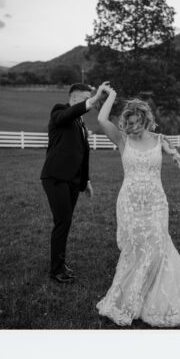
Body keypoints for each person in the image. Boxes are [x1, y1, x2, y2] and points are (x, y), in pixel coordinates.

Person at [95, 91, 180, 326]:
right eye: (128, 123)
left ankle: (152, 299)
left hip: (155, 204)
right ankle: (131, 298)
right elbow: (102, 120)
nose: (132, 127)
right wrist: (111, 95)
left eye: (136, 122)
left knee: (156, 248)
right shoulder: (123, 140)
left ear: (145, 120)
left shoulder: (160, 140)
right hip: (130, 204)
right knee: (135, 251)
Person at [40, 80, 109, 285]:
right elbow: (69, 114)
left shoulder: (80, 124)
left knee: (66, 221)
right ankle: (56, 270)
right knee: (62, 222)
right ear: (74, 98)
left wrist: (85, 180)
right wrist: (94, 99)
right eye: (87, 98)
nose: (91, 102)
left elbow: (82, 154)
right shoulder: (59, 111)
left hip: (72, 180)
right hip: (55, 177)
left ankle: (60, 263)